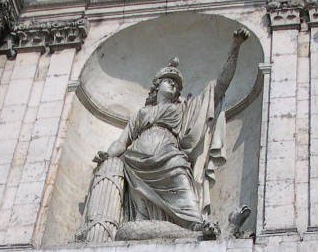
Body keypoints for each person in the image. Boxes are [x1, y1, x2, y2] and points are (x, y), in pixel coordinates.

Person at [94, 28, 250, 233]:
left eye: (177, 86)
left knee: (183, 188)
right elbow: (122, 142)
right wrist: (107, 155)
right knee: (140, 214)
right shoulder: (142, 113)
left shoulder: (184, 109)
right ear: (157, 86)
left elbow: (219, 86)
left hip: (169, 157)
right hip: (136, 162)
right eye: (169, 82)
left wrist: (235, 47)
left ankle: (196, 224)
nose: (174, 87)